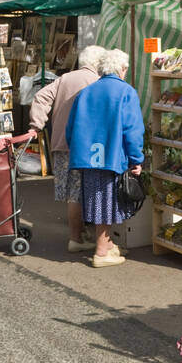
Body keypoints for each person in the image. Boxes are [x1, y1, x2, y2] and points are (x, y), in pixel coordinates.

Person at [65, 49, 144, 269]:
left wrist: (79, 151)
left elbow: (70, 130)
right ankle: (101, 252)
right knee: (108, 203)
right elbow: (133, 130)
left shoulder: (86, 92)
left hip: (87, 158)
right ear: (122, 69)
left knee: (95, 201)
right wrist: (136, 159)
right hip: (112, 157)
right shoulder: (126, 92)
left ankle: (107, 245)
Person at [27, 45, 106, 254]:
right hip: (85, 145)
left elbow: (40, 98)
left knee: (72, 191)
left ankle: (79, 234)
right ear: (98, 63)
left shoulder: (65, 78)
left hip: (60, 141)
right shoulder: (97, 81)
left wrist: (37, 124)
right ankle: (75, 238)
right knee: (79, 193)